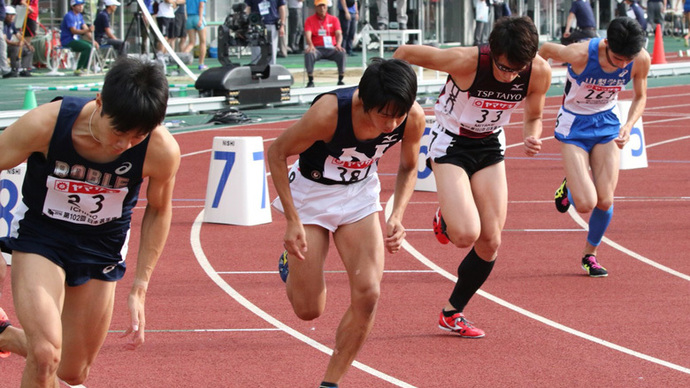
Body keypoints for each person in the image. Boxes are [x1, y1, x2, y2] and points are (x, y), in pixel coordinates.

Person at [0, 57, 180, 385]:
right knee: (44, 355)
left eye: (138, 137)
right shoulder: (46, 125)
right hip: (43, 238)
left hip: (101, 251)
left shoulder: (161, 149)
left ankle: (6, 337)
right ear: (99, 101)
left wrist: (140, 286)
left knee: (71, 371)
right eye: (119, 132)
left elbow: (159, 209)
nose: (125, 145)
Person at [267, 57, 425, 388]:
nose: (392, 123)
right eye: (385, 114)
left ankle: (331, 382)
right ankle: (290, 263)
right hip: (311, 194)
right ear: (365, 102)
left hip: (360, 195)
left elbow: (409, 167)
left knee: (368, 292)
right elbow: (278, 153)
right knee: (309, 310)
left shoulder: (411, 119)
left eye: (399, 114)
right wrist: (291, 221)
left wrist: (396, 214)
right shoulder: (329, 113)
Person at [393, 15, 551, 337]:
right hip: (451, 143)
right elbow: (403, 53)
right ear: (492, 52)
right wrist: (401, 105)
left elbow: (533, 115)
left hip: (490, 143)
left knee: (490, 241)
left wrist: (533, 135)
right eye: (504, 68)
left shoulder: (538, 72)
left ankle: (452, 312)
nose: (510, 78)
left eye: (517, 70)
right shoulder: (465, 61)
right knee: (465, 235)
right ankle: (449, 216)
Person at [539, 17, 649, 278]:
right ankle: (571, 188)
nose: (623, 65)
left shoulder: (639, 58)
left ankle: (590, 254)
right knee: (587, 203)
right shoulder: (578, 53)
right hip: (574, 126)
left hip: (607, 123)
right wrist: (537, 88)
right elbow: (543, 51)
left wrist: (629, 125)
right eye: (617, 59)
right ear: (606, 43)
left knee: (606, 200)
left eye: (627, 60)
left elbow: (641, 95)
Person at [304, 0, 346, 87]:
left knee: (342, 52)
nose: (322, 8)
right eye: (319, 6)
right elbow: (308, 35)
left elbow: (339, 34)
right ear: (315, 7)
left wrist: (338, 44)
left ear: (327, 7)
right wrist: (311, 45)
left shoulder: (334, 19)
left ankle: (340, 79)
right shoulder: (309, 20)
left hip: (332, 48)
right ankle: (310, 80)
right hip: (317, 49)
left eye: (324, 6)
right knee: (309, 53)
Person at [60, 0, 98, 76]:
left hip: (76, 40)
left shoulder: (80, 16)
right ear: (73, 6)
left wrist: (93, 40)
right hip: (68, 40)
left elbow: (86, 29)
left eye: (82, 5)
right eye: (78, 5)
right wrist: (88, 29)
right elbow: (73, 31)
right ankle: (78, 68)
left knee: (91, 45)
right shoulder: (69, 16)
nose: (81, 7)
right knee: (87, 47)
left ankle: (85, 67)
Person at [244, 0, 286, 66]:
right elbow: (248, 7)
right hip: (256, 24)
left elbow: (281, 7)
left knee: (271, 49)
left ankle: (271, 68)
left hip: (271, 24)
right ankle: (255, 69)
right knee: (256, 49)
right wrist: (247, 24)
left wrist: (282, 25)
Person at [3, 5, 33, 77]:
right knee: (16, 48)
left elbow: (18, 35)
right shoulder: (2, 25)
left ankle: (24, 69)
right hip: (4, 48)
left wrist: (27, 44)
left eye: (13, 15)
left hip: (10, 46)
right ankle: (15, 69)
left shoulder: (12, 24)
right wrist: (16, 43)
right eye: (10, 15)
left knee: (28, 50)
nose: (12, 17)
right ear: (5, 15)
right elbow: (4, 39)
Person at [182, 0, 208, 70]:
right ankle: (201, 63)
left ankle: (181, 61)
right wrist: (200, 19)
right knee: (203, 42)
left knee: (191, 43)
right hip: (198, 17)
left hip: (189, 18)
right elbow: (201, 6)